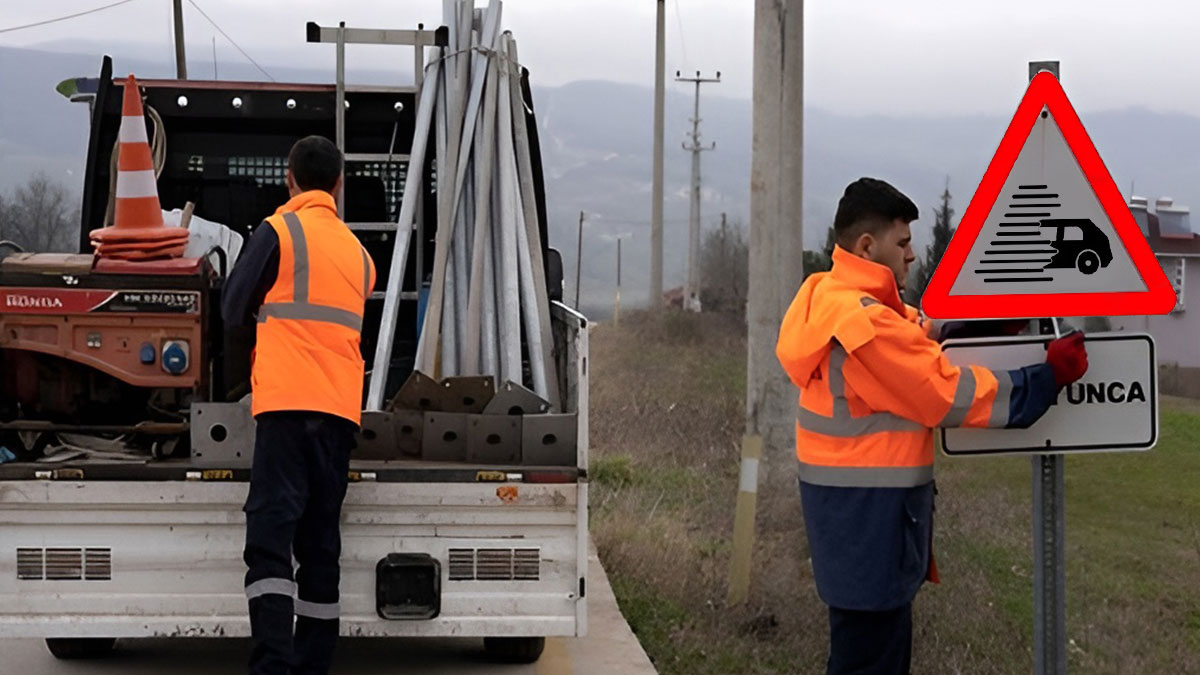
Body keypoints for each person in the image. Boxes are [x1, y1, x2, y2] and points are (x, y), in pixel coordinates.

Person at [775, 177, 1088, 675]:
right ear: (866, 245)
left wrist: (985, 325)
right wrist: (1045, 379)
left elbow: (915, 332)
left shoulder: (830, 294)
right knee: (870, 664)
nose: (912, 255)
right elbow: (945, 393)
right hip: (869, 527)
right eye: (902, 244)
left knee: (865, 656)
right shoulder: (864, 323)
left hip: (853, 523)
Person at [222, 135, 376, 675]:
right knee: (320, 547)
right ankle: (312, 665)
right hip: (338, 415)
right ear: (338, 185)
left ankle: (271, 667)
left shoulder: (277, 231)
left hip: (285, 408)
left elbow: (233, 306)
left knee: (270, 544)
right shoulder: (360, 255)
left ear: (290, 178)